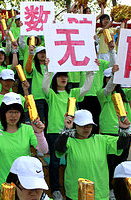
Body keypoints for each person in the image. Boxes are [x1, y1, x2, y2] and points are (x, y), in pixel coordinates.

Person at [42, 58, 95, 200]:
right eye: (60, 75)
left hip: (72, 132)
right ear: (55, 78)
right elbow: (44, 87)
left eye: (65, 75)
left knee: (73, 160)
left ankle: (73, 185)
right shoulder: (52, 94)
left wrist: (90, 72)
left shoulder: (72, 93)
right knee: (55, 161)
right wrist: (48, 69)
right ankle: (55, 189)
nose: (63, 78)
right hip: (55, 132)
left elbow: (86, 88)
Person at [0, 92, 48, 200]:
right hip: (4, 184)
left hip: (24, 187)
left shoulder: (28, 129)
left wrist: (39, 134)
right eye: (10, 112)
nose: (13, 116)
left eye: (16, 112)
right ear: (3, 113)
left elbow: (43, 150)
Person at [55, 110, 131, 200]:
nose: (86, 128)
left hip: (100, 193)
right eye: (83, 126)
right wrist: (66, 130)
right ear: (75, 125)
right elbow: (59, 148)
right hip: (76, 193)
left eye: (89, 125)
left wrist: (124, 130)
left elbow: (121, 145)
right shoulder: (69, 141)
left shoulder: (102, 139)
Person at [97, 66, 131, 199]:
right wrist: (115, 76)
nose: (110, 81)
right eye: (107, 78)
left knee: (122, 162)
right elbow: (108, 88)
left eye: (111, 78)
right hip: (109, 133)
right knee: (109, 163)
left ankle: (122, 188)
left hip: (125, 132)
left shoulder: (125, 93)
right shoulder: (102, 94)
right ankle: (110, 189)